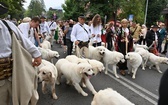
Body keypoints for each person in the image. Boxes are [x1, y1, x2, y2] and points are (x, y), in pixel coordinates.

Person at [0, 2, 41, 105]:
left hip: (12, 72)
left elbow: (24, 40)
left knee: (21, 96)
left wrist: (37, 54)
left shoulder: (7, 25)